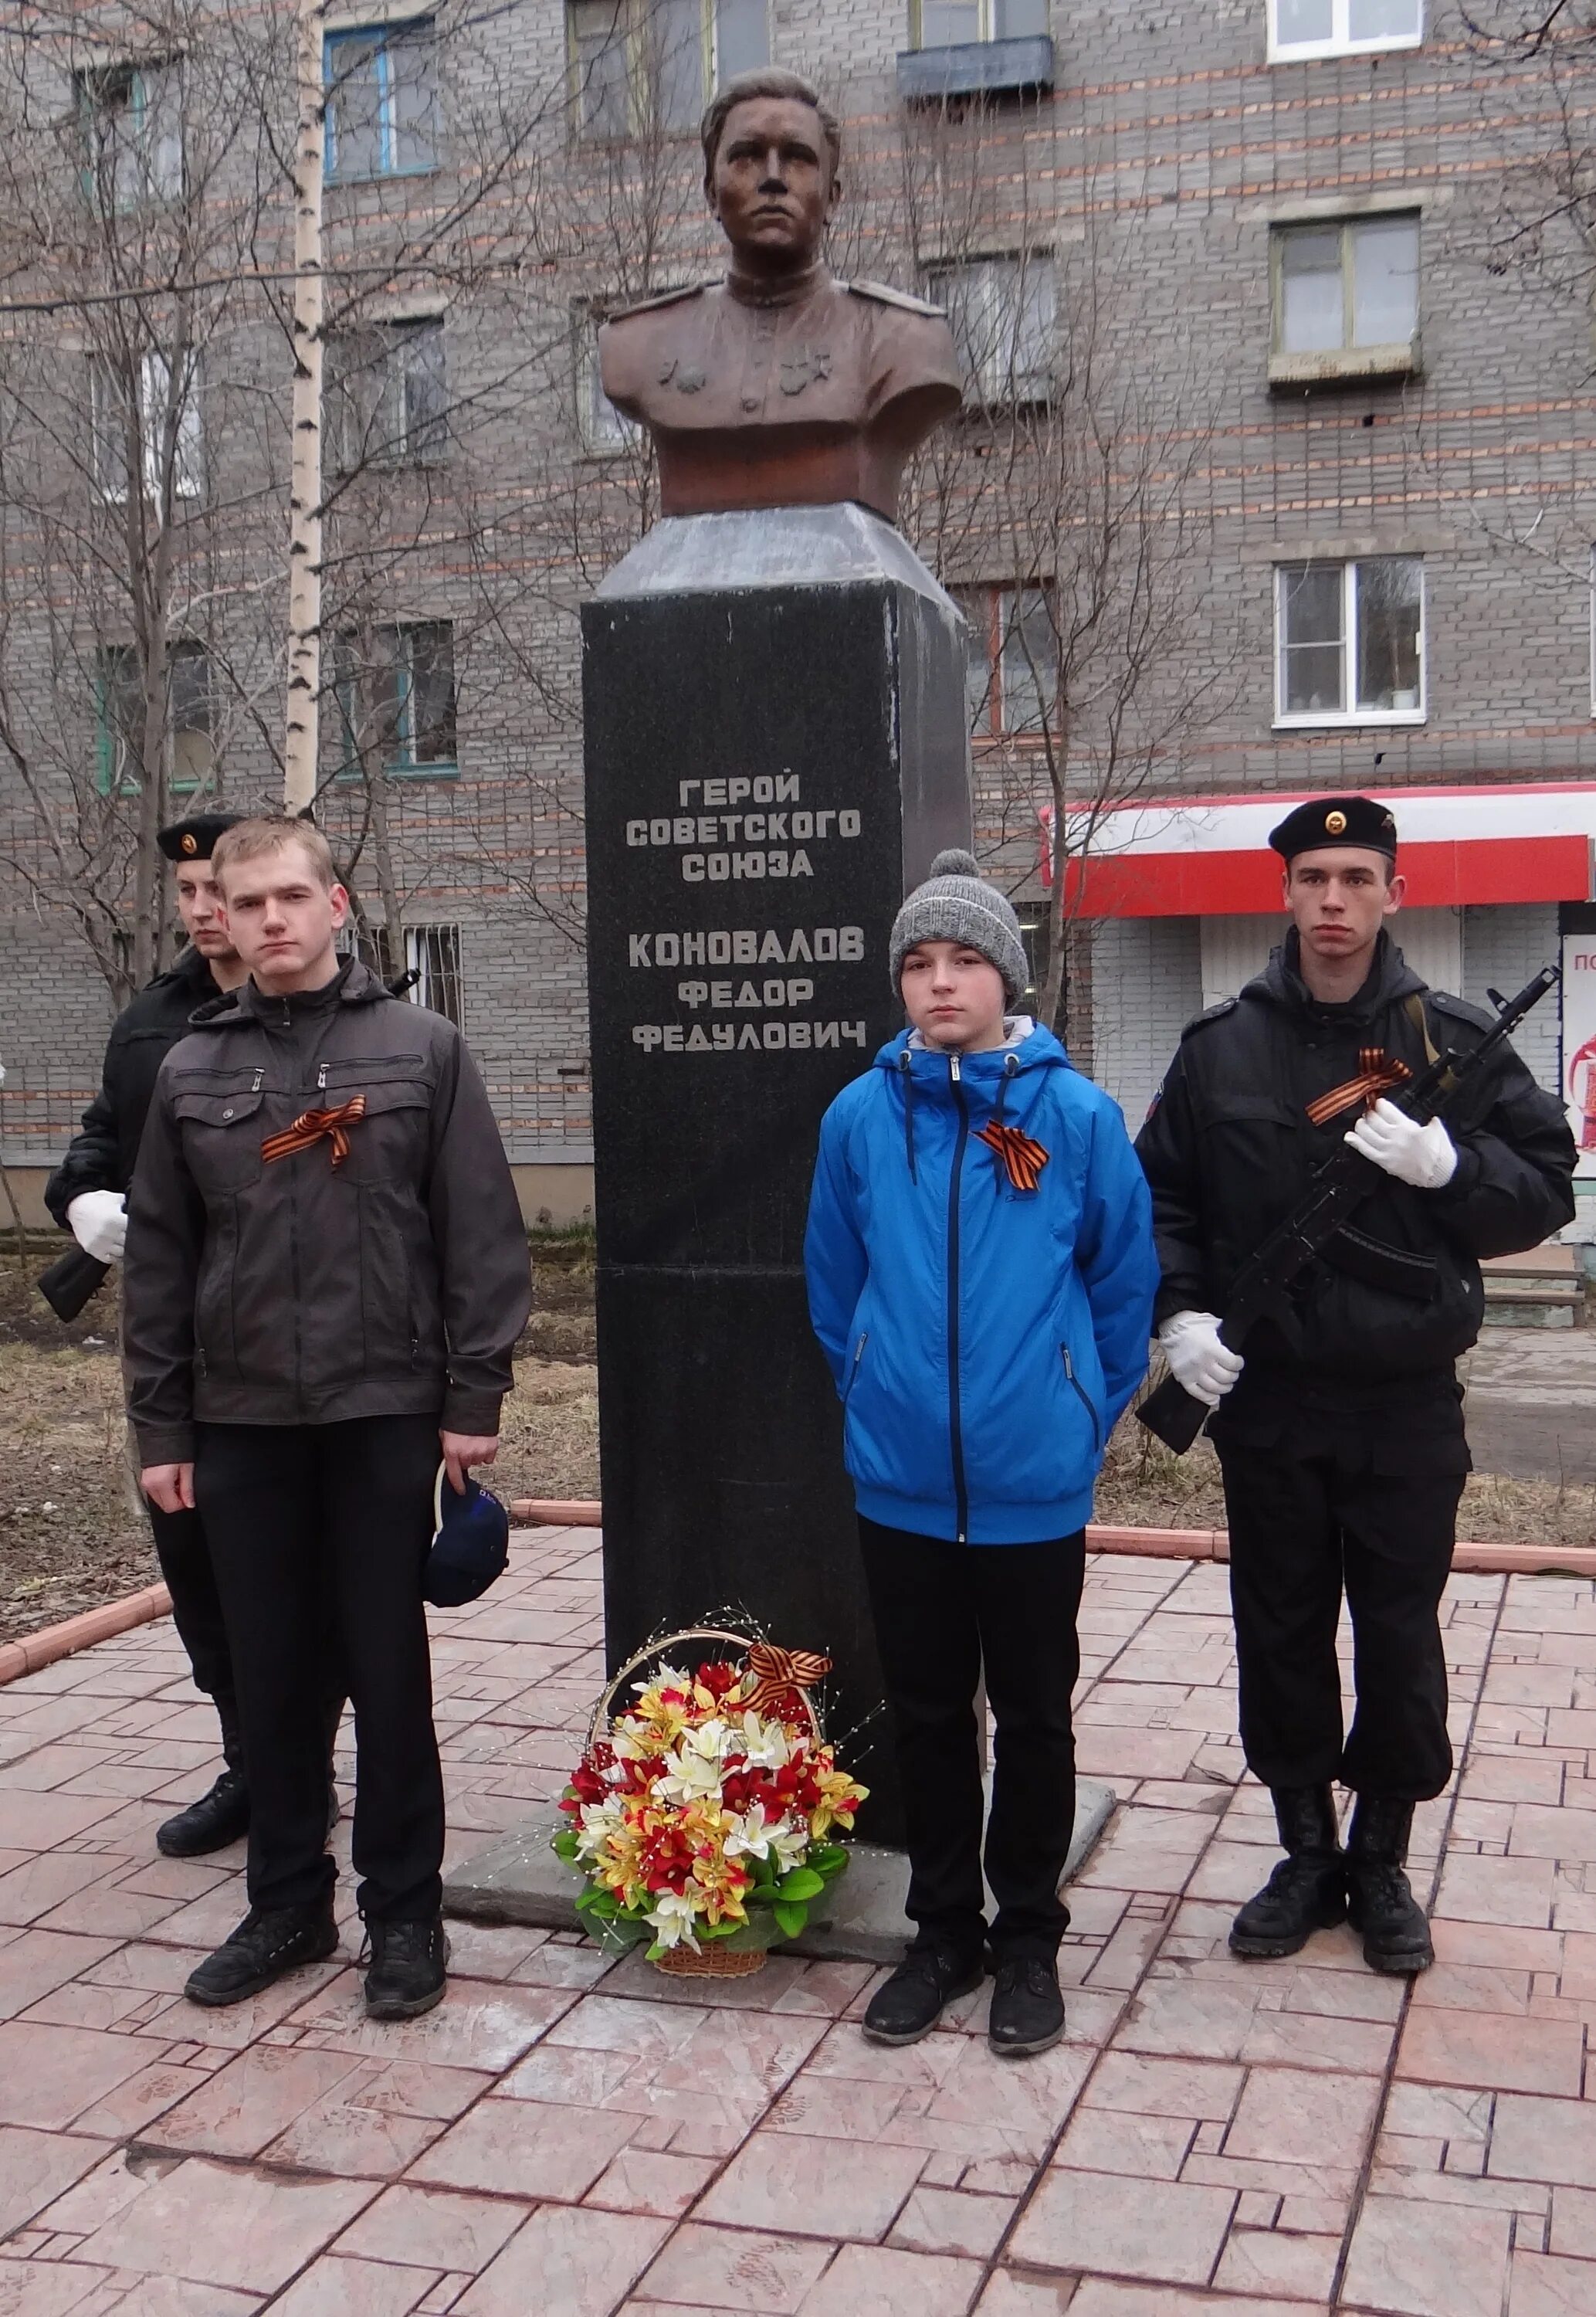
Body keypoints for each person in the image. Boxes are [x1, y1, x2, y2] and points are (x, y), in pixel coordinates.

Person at [1136, 796, 1577, 1976]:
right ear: (1283, 893)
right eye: (1312, 878)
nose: (1332, 901)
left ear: (1391, 892)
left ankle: (1378, 1860)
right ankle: (1301, 1854)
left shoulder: (1450, 1040)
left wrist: (1450, 1166)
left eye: (1355, 878)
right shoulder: (1216, 1046)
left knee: (1394, 1635)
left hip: (1401, 1404)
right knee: (1276, 1629)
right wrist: (1176, 1316)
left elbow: (1544, 1186)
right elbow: (1159, 1199)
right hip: (1268, 1403)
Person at [123, 816, 531, 2020]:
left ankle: (404, 1915)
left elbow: (481, 1235)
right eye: (246, 904)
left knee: (387, 1674)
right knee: (272, 1677)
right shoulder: (187, 1072)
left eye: (291, 897)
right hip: (240, 1422)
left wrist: (471, 1400)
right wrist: (164, 1431)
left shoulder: (421, 1049)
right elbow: (158, 1260)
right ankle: (288, 1904)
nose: (270, 922)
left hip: (380, 1413)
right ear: (223, 919)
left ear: (336, 903)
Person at [805, 850, 1157, 2057]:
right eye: (917, 962)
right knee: (923, 1716)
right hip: (900, 1482)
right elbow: (831, 1281)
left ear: (1004, 977)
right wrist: (868, 1382)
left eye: (962, 961)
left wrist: (1075, 1410)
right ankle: (942, 1931)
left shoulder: (1072, 1115)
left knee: (1033, 1715)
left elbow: (1118, 1285)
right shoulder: (859, 1117)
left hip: (1027, 1484)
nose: (939, 983)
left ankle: (1027, 1942)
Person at [44, 811, 271, 1859]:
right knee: (193, 1553)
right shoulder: (149, 1019)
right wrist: (83, 1201)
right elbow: (104, 1130)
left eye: (218, 889)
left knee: (290, 1561)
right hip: (171, 1342)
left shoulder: (313, 1012)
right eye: (186, 896)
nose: (204, 911)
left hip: (282, 1329)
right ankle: (248, 1761)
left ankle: (298, 1760)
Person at [598, 68, 963, 522]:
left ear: (832, 198)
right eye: (747, 156)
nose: (773, 179)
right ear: (712, 193)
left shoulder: (904, 339)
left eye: (797, 158)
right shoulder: (639, 344)